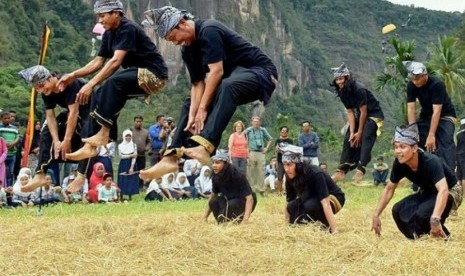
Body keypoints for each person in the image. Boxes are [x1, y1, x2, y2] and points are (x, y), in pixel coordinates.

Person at [140, 6, 278, 180]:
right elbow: (197, 84)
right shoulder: (187, 49)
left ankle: (206, 146)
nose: (174, 42)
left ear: (182, 24)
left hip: (261, 73)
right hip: (233, 78)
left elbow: (216, 72)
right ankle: (170, 157)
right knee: (190, 103)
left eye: (173, 37)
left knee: (227, 86)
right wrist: (193, 114)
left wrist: (203, 109)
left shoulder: (209, 30)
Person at [58, 0, 168, 162]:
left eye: (102, 16)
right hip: (134, 74)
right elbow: (98, 62)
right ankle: (91, 146)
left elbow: (116, 61)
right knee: (99, 94)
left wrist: (89, 83)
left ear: (116, 13)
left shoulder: (127, 28)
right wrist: (73, 75)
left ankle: (104, 132)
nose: (100, 20)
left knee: (112, 83)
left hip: (154, 75)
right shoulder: (109, 33)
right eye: (98, 17)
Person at [372, 124, 455, 240]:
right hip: (428, 191)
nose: (398, 151)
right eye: (395, 147)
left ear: (414, 148)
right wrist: (376, 214)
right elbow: (389, 189)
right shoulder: (399, 163)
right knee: (398, 210)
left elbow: (443, 190)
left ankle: (445, 239)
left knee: (423, 216)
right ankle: (419, 241)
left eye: (402, 147)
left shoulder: (431, 161)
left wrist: (435, 220)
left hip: (451, 191)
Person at [17, 65, 91, 192]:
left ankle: (80, 175)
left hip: (91, 111)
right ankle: (40, 173)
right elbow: (50, 117)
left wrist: (66, 140)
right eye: (36, 88)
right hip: (73, 113)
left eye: (41, 85)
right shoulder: (47, 93)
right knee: (46, 130)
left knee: (87, 130)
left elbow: (74, 112)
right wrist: (56, 141)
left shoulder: (67, 82)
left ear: (50, 78)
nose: (40, 90)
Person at [330, 63, 384, 182]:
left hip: (373, 115)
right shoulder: (342, 92)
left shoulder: (359, 89)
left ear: (347, 78)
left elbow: (364, 111)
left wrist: (359, 132)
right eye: (337, 79)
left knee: (365, 135)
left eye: (341, 79)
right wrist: (353, 131)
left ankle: (361, 169)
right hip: (360, 116)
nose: (339, 82)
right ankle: (341, 170)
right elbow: (350, 112)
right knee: (349, 137)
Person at [403, 61, 457, 170]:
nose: (415, 82)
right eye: (413, 79)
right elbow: (411, 108)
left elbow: (437, 111)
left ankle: (450, 179)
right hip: (427, 116)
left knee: (445, 143)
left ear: (425, 75)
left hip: (445, 116)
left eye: (417, 79)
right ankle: (421, 177)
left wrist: (431, 135)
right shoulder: (411, 85)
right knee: (416, 140)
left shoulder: (437, 84)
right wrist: (413, 131)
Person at [282, 145, 345, 234]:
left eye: (289, 165)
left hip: (334, 198)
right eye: (284, 165)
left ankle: (326, 229)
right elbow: (289, 202)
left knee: (310, 205)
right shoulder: (289, 175)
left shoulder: (315, 173)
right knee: (292, 207)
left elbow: (326, 203)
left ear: (298, 165)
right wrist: (286, 228)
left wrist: (335, 231)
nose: (286, 169)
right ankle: (310, 226)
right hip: (311, 198)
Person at [203, 151, 257, 224]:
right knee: (213, 202)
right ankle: (223, 222)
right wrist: (204, 217)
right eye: (214, 163)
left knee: (232, 204)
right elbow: (213, 196)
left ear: (225, 164)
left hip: (241, 202)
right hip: (229, 201)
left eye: (217, 163)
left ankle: (233, 220)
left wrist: (245, 220)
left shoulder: (238, 176)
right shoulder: (216, 177)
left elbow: (250, 199)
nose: (214, 165)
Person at [245, 116, 273, 195]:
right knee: (250, 171)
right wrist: (246, 148)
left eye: (257, 121)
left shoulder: (262, 130)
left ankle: (261, 189)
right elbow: (241, 136)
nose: (256, 123)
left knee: (261, 171)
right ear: (252, 122)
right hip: (251, 152)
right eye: (254, 121)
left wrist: (266, 148)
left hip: (261, 153)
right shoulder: (249, 130)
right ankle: (251, 189)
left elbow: (270, 139)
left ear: (259, 122)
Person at [117, 129, 138, 201]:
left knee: (130, 180)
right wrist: (131, 155)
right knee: (123, 179)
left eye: (129, 136)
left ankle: (130, 195)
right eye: (126, 136)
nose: (128, 137)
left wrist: (131, 167)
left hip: (131, 164)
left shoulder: (134, 145)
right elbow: (121, 156)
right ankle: (122, 195)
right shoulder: (120, 146)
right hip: (123, 164)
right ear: (124, 136)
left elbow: (135, 157)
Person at [131, 115, 151, 190]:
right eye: (137, 121)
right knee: (133, 171)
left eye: (140, 121)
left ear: (142, 122)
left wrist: (147, 148)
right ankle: (133, 186)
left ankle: (140, 187)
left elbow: (149, 141)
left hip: (142, 155)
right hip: (132, 155)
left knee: (141, 171)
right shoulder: (130, 131)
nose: (138, 123)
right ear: (134, 122)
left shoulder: (145, 132)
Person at [0, 111, 19, 186]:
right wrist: (5, 144)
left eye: (9, 118)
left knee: (10, 174)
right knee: (1, 173)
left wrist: (13, 143)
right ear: (1, 118)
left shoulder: (14, 128)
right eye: (5, 118)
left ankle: (8, 192)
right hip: (2, 156)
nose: (7, 120)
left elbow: (17, 137)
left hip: (12, 154)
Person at [275, 126, 293, 193]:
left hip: (288, 161)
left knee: (288, 177)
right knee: (280, 177)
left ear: (287, 132)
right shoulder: (278, 140)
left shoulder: (290, 141)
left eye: (285, 131)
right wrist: (284, 150)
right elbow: (277, 150)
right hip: (280, 161)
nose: (283, 132)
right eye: (282, 131)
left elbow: (291, 150)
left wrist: (282, 150)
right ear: (280, 131)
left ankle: (288, 191)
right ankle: (279, 191)